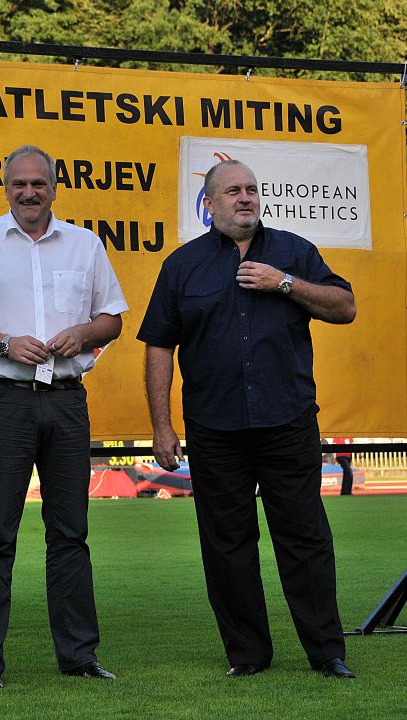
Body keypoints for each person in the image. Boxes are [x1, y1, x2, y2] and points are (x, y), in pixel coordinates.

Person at [138, 159, 357, 679]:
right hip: (216, 428)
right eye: (232, 191)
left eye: (252, 190)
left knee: (304, 538)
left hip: (287, 419)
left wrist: (285, 283)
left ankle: (327, 653)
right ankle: (249, 654)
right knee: (227, 545)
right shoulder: (182, 265)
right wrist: (162, 425)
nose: (246, 198)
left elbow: (344, 306)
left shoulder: (292, 252)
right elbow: (158, 346)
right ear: (208, 204)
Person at [0, 144, 128, 688]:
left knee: (71, 534)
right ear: (5, 188)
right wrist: (1, 343)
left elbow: (112, 318)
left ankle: (80, 656)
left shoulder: (85, 245)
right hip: (3, 399)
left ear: (55, 187)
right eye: (19, 184)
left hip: (66, 399)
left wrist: (84, 333)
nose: (29, 193)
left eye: (38, 183)